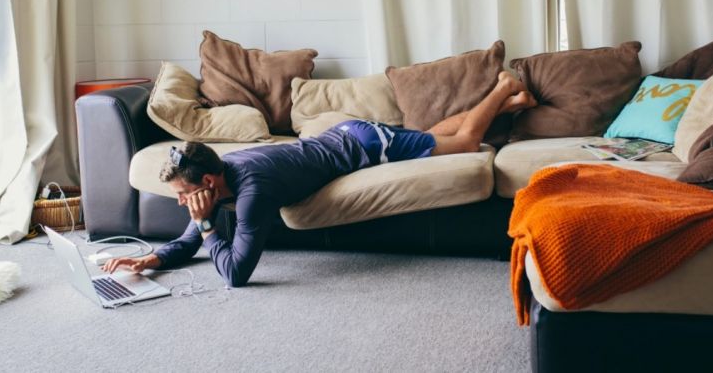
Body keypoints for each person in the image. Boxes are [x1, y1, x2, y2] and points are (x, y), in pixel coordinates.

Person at [101, 72, 537, 287]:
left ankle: (502, 87)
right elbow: (191, 239)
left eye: (185, 195)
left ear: (211, 182)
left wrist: (209, 225)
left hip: (365, 145)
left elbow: (235, 274)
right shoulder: (221, 179)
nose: (181, 203)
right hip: (342, 135)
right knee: (433, 136)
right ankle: (509, 103)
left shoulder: (253, 193)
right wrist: (151, 260)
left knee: (461, 143)